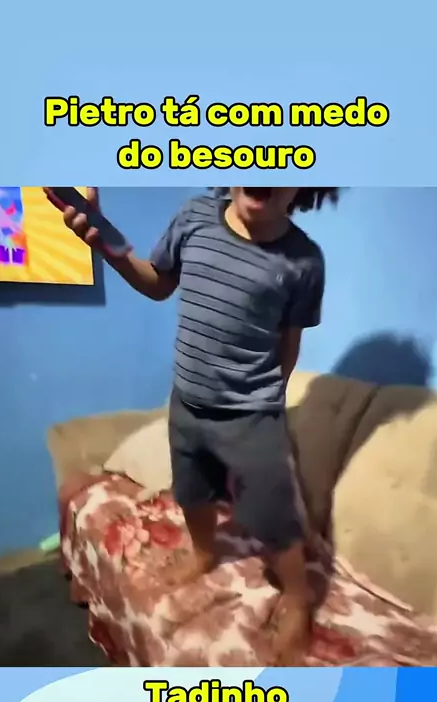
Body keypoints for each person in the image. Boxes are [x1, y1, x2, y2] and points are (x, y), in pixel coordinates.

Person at [57, 186, 339, 664]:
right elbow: (157, 284)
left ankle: (297, 596)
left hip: (252, 415)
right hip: (187, 402)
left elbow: (289, 344)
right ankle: (204, 553)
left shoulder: (304, 261)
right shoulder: (195, 216)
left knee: (273, 515)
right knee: (192, 491)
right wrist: (105, 243)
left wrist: (268, 401)